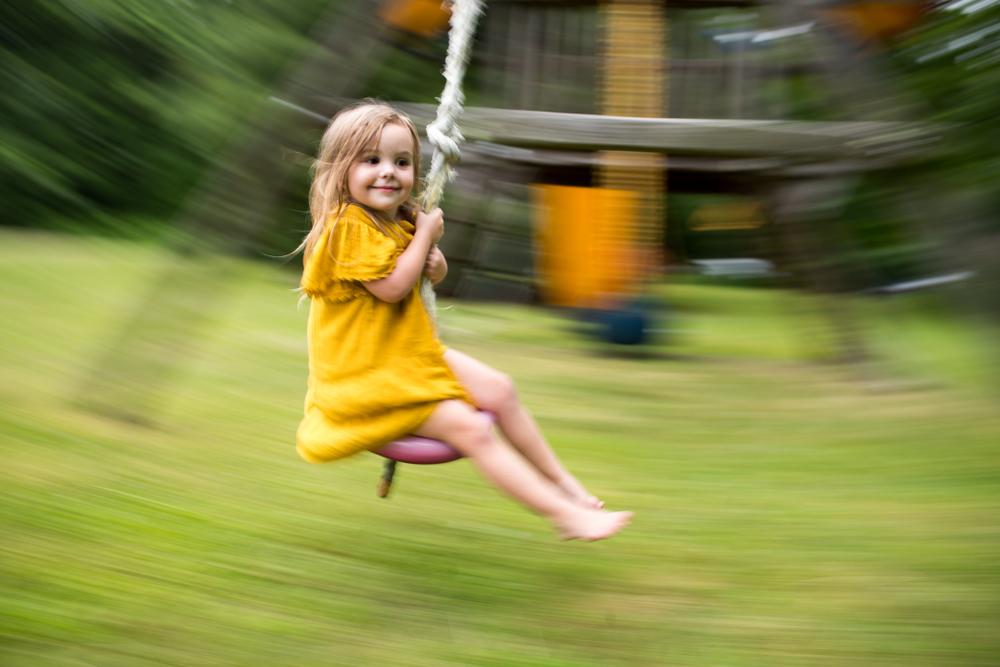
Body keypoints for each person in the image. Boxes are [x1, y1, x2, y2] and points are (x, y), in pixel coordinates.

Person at [296, 101, 632, 541]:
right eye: (371, 160)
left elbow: (425, 272)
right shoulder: (346, 225)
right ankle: (565, 517)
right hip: (368, 378)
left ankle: (565, 487)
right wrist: (425, 240)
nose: (388, 172)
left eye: (401, 162)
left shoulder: (397, 221)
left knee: (500, 389)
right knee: (472, 428)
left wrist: (434, 262)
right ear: (341, 168)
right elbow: (393, 287)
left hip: (402, 357)